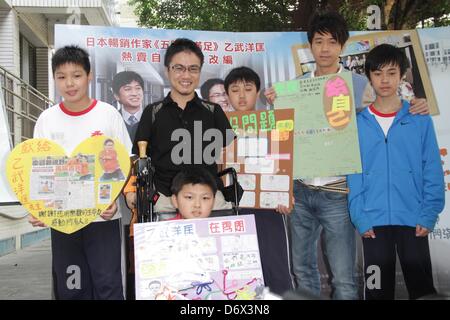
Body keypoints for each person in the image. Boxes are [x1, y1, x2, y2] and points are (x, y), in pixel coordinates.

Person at [264, 10, 431, 300]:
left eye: (332, 41)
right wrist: (274, 103)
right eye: (318, 41)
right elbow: (283, 136)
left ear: (342, 46)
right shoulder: (295, 86)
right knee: (302, 270)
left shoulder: (360, 85)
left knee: (344, 277)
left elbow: (389, 109)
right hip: (301, 191)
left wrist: (418, 103)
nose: (325, 48)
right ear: (310, 46)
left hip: (339, 191)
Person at [30, 45, 132, 300]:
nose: (69, 83)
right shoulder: (47, 119)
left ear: (89, 75)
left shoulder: (108, 115)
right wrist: (38, 207)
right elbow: (40, 168)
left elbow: (125, 162)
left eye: (76, 75)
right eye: (61, 77)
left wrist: (113, 198)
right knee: (71, 288)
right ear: (54, 79)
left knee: (107, 285)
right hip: (63, 222)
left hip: (103, 219)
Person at [347, 44, 445, 300]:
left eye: (391, 72)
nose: (385, 80)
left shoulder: (419, 119)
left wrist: (428, 213)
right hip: (373, 223)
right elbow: (353, 173)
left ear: (401, 74)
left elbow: (432, 168)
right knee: (377, 290)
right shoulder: (357, 124)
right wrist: (360, 216)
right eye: (378, 73)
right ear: (369, 76)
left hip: (413, 220)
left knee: (422, 289)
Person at [126, 38, 235, 216]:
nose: (186, 76)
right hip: (165, 200)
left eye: (193, 69)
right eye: (179, 68)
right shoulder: (152, 112)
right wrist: (132, 190)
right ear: (167, 70)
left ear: (199, 72)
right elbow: (139, 158)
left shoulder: (213, 111)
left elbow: (231, 156)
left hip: (209, 200)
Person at [223, 66, 295, 295]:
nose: (242, 95)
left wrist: (286, 192)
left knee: (276, 271)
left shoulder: (274, 123)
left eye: (248, 89)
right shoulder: (217, 126)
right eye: (235, 90)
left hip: (268, 207)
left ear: (258, 92)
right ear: (227, 95)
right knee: (238, 276)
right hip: (231, 209)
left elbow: (284, 163)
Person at [112, 71, 145, 142]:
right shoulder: (112, 120)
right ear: (117, 96)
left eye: (138, 88)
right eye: (128, 89)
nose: (134, 93)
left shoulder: (154, 119)